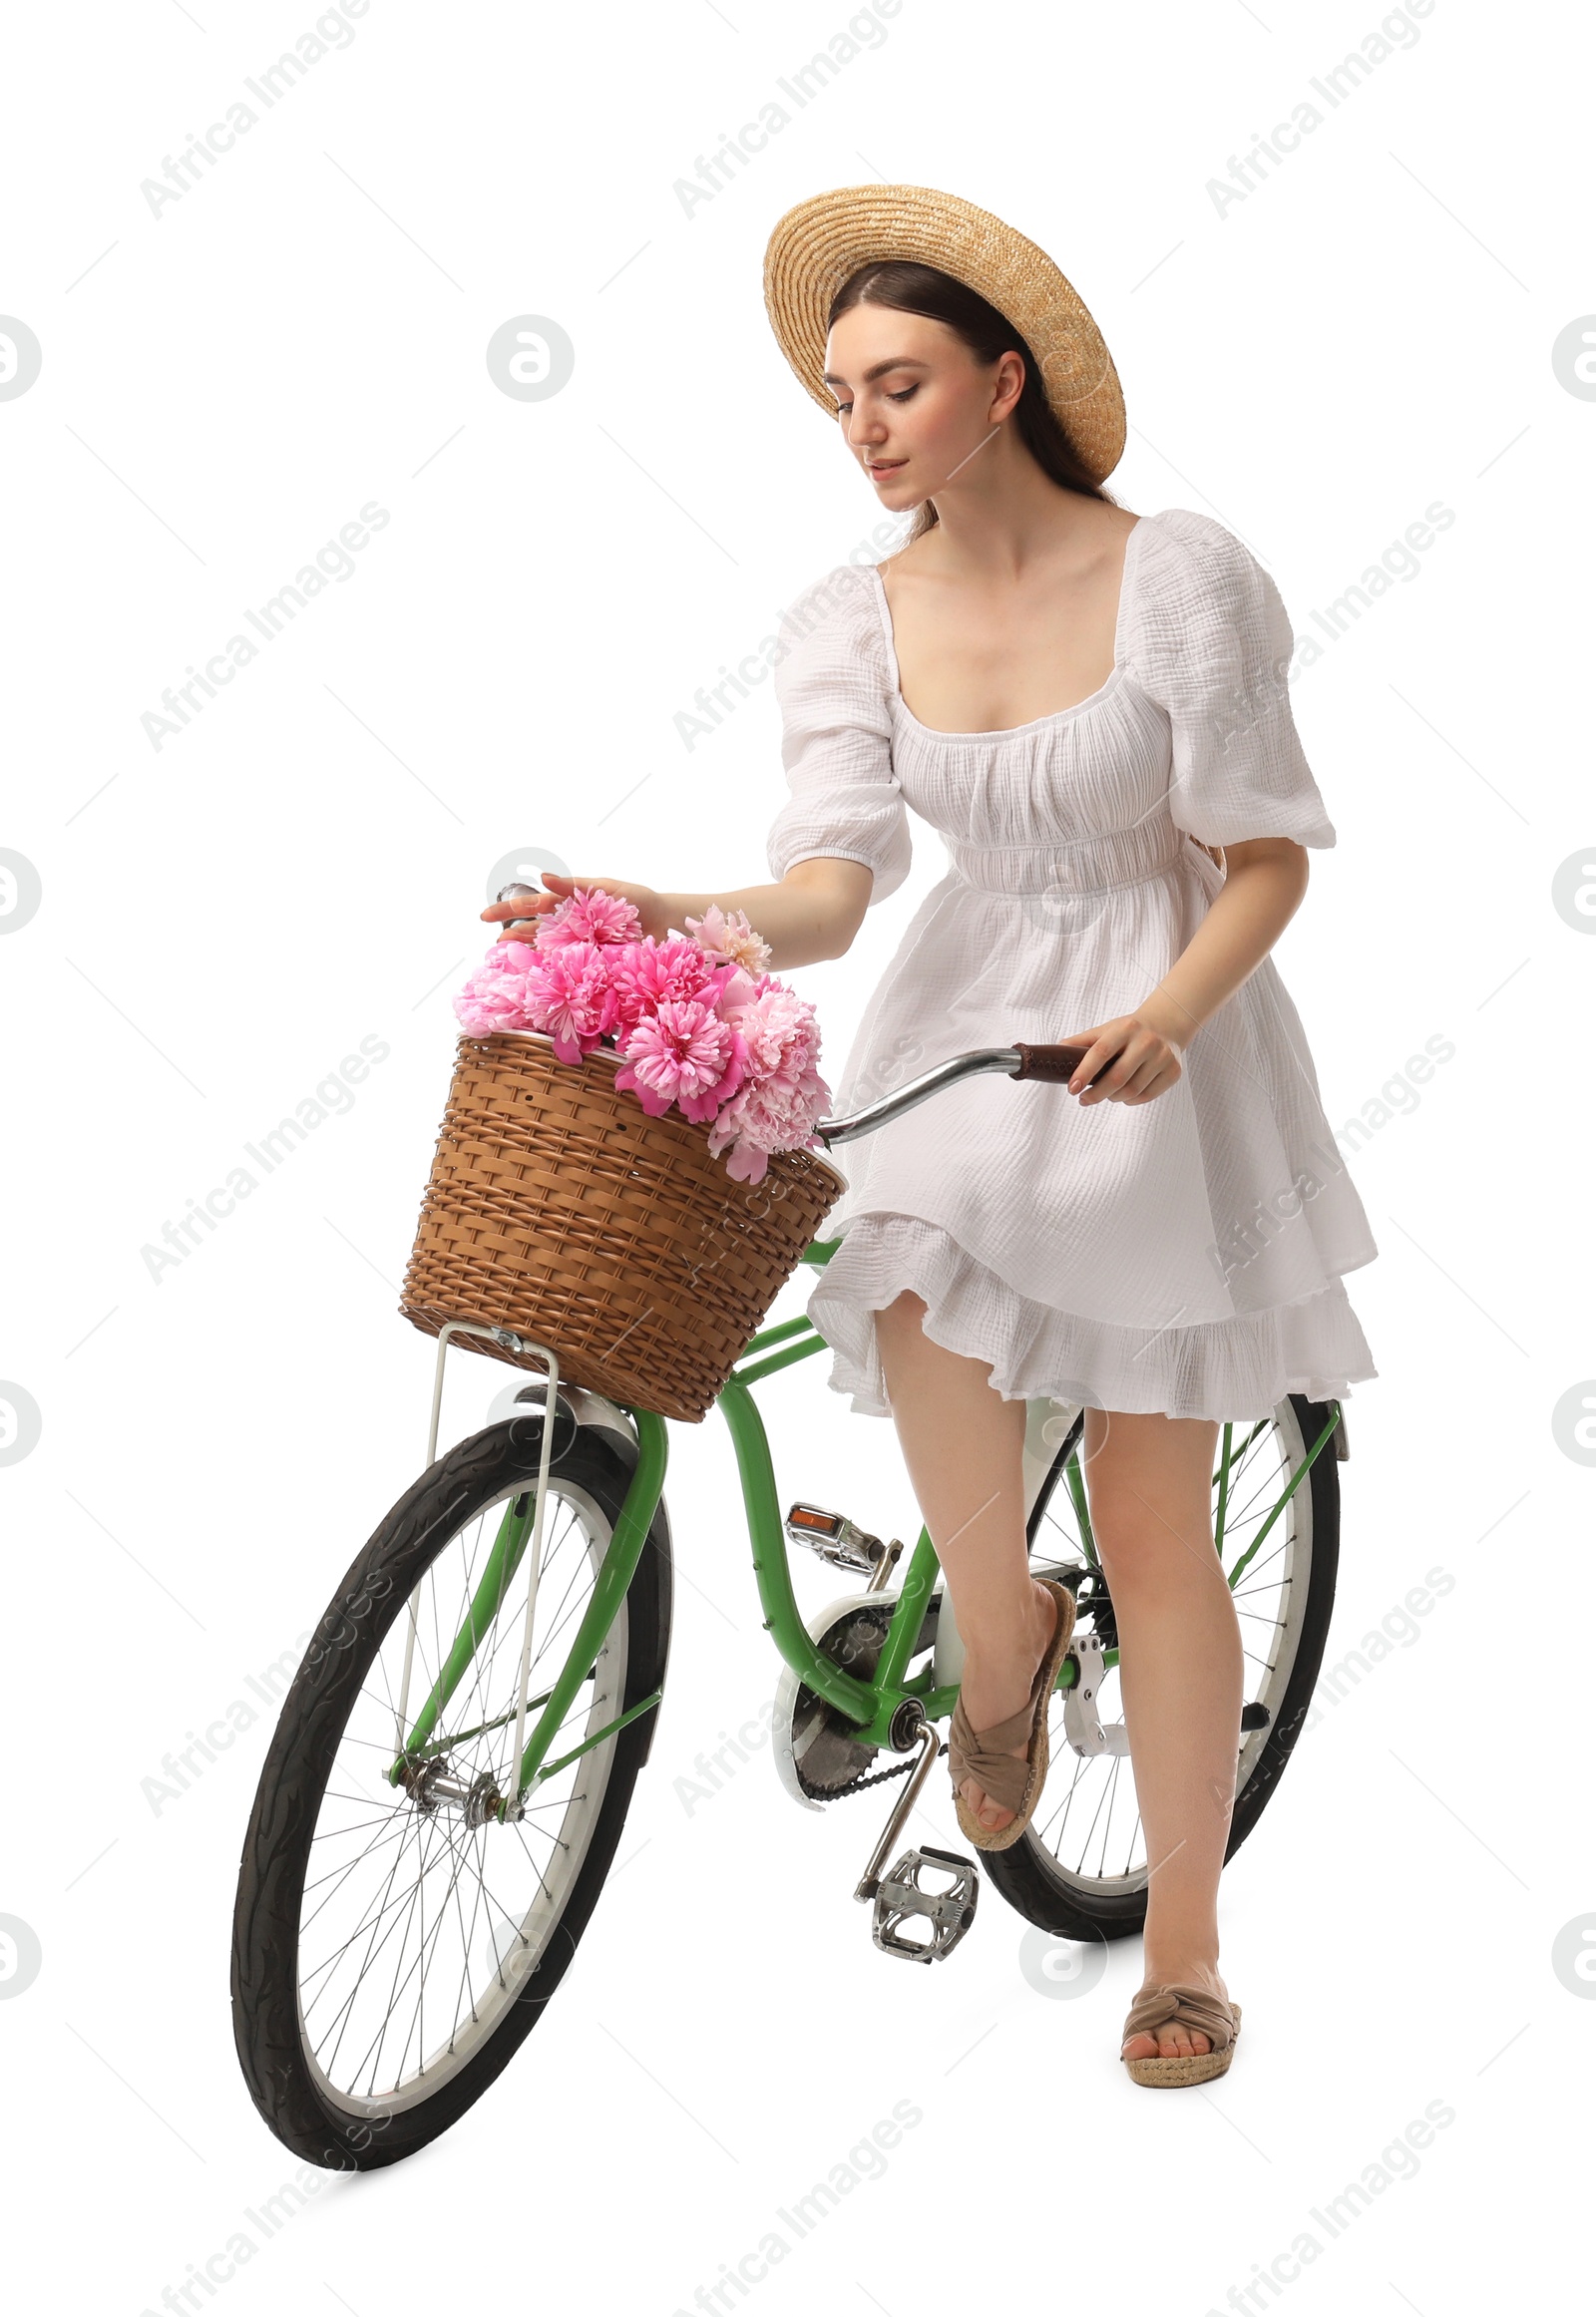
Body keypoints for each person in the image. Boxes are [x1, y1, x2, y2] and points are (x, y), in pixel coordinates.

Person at [481, 184, 1379, 2088]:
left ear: (1004, 381)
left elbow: (1267, 851)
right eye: (838, 396)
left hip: (1158, 1035)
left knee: (1151, 1514)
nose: (864, 424)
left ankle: (1189, 1948)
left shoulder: (1179, 575)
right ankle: (995, 1645)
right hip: (967, 1019)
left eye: (898, 382)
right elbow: (833, 890)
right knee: (904, 1277)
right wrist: (648, 901)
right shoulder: (849, 614)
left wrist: (1169, 1012)